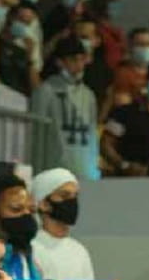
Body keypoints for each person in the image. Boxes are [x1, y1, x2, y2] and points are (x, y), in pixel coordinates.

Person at [31, 36, 99, 181]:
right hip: (54, 167)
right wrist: (37, 172)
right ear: (60, 62)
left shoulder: (88, 95)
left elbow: (92, 133)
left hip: (85, 170)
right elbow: (37, 134)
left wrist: (95, 169)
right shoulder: (46, 90)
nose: (79, 65)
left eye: (82, 59)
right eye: (74, 60)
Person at [30, 168, 96, 280]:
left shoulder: (79, 250)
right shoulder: (31, 248)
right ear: (44, 204)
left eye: (75, 196)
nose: (72, 202)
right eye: (64, 196)